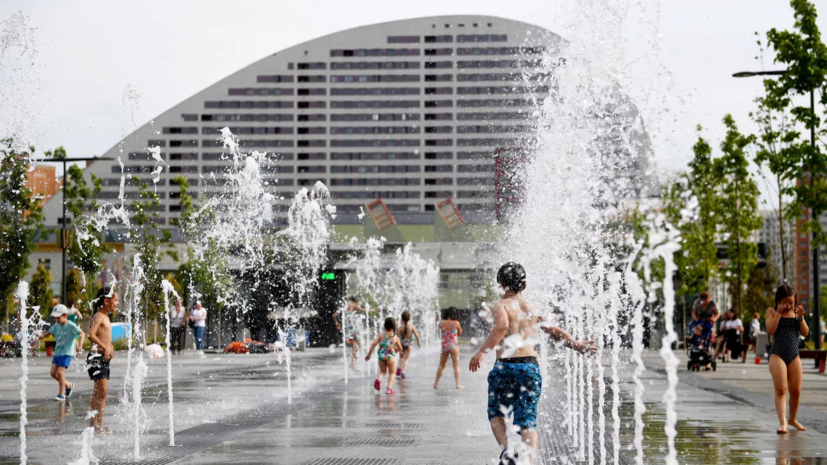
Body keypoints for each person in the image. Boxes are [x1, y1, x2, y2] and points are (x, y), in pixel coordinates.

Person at [469, 262, 597, 465]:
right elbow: (552, 329)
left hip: (505, 366)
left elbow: (502, 326)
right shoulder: (530, 308)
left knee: (496, 413)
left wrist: (481, 353)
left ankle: (508, 451)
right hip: (529, 367)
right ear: (525, 285)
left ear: (500, 285)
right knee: (528, 423)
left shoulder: (499, 305)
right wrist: (575, 344)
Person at [766, 284, 809, 434]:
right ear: (778, 301)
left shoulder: (796, 312)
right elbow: (770, 330)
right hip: (777, 354)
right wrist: (778, 313)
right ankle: (783, 422)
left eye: (791, 302)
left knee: (796, 390)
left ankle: (792, 419)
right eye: (785, 302)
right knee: (781, 389)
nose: (789, 305)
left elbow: (805, 333)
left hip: (794, 354)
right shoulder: (771, 311)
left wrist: (801, 318)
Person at [37, 304, 85, 401]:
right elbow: (48, 333)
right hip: (58, 352)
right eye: (55, 318)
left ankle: (61, 394)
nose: (56, 320)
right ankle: (68, 385)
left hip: (67, 352)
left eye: (58, 318)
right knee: (52, 373)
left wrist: (80, 345)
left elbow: (82, 333)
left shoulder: (71, 325)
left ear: (65, 315)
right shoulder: (56, 325)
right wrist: (37, 338)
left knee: (60, 372)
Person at [87, 287, 118, 435]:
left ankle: (94, 423)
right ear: (106, 301)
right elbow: (91, 335)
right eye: (115, 300)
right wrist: (104, 347)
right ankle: (98, 424)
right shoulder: (99, 316)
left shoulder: (106, 317)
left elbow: (104, 336)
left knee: (98, 392)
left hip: (103, 358)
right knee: (103, 392)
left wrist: (110, 347)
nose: (117, 303)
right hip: (96, 358)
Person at [365, 317, 403, 395]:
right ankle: (389, 389)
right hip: (390, 357)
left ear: (384, 326)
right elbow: (400, 348)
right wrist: (396, 349)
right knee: (392, 373)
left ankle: (378, 379)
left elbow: (373, 344)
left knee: (382, 371)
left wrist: (369, 354)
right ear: (394, 327)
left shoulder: (381, 335)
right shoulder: (395, 337)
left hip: (381, 356)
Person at [333, 296, 366, 371]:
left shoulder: (348, 309)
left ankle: (353, 363)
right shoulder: (344, 308)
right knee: (356, 347)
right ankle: (353, 363)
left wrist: (337, 323)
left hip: (354, 331)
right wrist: (336, 323)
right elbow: (334, 315)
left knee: (359, 346)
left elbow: (334, 315)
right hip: (348, 333)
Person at [434, 307, 464, 390]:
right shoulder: (456, 323)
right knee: (456, 366)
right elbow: (460, 333)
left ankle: (436, 383)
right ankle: (458, 384)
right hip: (453, 345)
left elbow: (442, 331)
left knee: (441, 365)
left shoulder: (441, 323)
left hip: (444, 346)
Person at [396, 310, 421, 379]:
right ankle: (403, 372)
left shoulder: (400, 327)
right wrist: (419, 343)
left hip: (401, 344)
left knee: (401, 357)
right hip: (409, 344)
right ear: (409, 319)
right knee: (406, 359)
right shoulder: (412, 327)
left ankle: (398, 367)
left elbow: (397, 337)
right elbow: (417, 335)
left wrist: (395, 345)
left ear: (401, 319)